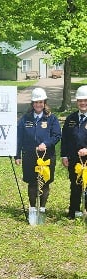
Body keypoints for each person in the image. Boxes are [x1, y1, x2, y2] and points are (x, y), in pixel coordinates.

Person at [15, 87, 61, 214]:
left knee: (45, 182)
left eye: (40, 102)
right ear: (32, 104)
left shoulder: (51, 118)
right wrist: (17, 155)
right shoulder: (25, 118)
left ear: (44, 103)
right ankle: (32, 207)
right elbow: (19, 137)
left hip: (47, 156)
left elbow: (57, 135)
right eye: (36, 102)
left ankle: (42, 208)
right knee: (32, 182)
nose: (38, 105)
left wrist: (46, 144)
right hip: (30, 155)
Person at [61, 85, 87, 219]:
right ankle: (74, 211)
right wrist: (64, 156)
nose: (82, 103)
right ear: (77, 102)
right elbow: (64, 138)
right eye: (80, 100)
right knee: (75, 184)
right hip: (73, 159)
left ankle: (86, 212)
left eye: (85, 100)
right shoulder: (71, 118)